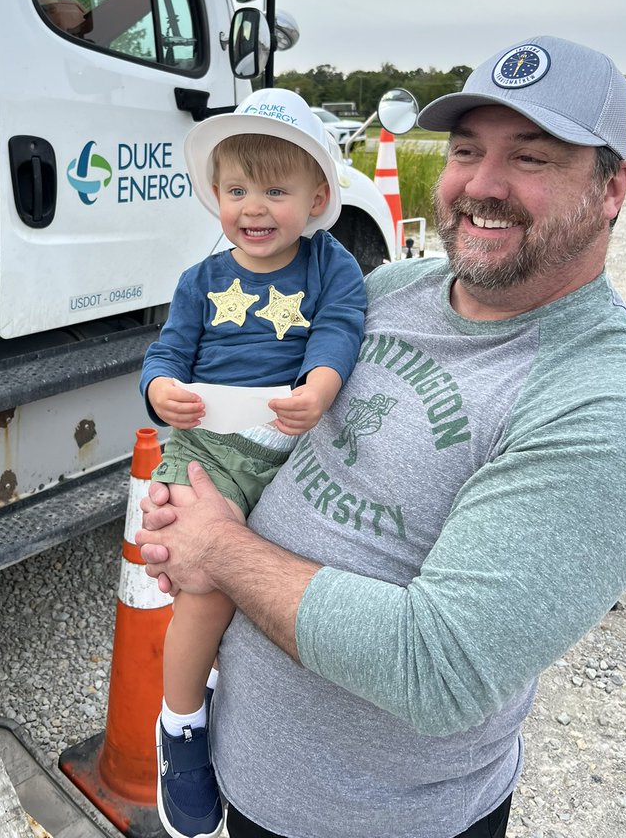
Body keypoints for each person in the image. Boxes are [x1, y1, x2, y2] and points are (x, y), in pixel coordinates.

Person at [137, 35, 626, 838]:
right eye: (465, 149)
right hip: (244, 774)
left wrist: (219, 549)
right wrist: (191, 492)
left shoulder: (600, 405)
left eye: (532, 158)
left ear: (615, 186)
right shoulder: (395, 287)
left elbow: (439, 671)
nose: (482, 184)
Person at [140, 88, 368, 838]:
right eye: (237, 189)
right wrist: (162, 390)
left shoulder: (328, 265)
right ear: (216, 195)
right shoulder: (200, 281)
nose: (255, 207)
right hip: (205, 443)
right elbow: (166, 353)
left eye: (277, 189)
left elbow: (340, 327)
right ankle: (180, 730)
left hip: (284, 444)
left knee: (277, 584)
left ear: (318, 196)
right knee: (206, 583)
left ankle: (231, 703)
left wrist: (322, 383)